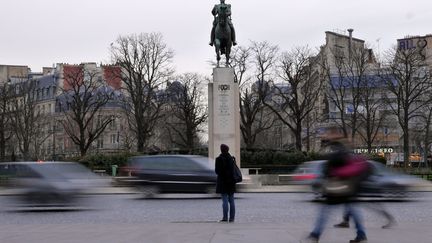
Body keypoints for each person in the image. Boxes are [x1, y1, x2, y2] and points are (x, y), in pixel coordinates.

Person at [302, 139, 368, 243]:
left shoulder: (338, 155)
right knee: (354, 211)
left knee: (324, 212)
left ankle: (315, 235)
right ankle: (361, 234)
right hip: (349, 189)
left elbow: (328, 169)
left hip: (336, 189)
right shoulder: (350, 156)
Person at [215, 144, 236, 222]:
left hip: (223, 181)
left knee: (224, 200)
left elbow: (217, 171)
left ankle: (225, 217)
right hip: (231, 182)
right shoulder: (231, 159)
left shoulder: (218, 159)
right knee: (231, 200)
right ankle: (232, 218)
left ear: (221, 150)